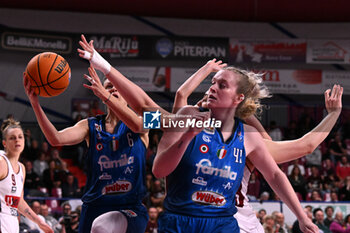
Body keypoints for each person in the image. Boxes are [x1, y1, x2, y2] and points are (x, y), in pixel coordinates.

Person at [77, 36, 337, 233]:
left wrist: (303, 217)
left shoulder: (249, 136)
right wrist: (104, 68)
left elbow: (293, 159)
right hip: (185, 217)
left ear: (237, 99)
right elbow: (147, 112)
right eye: (211, 84)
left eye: (220, 85)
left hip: (236, 219)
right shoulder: (187, 118)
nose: (210, 90)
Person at [24, 66, 149, 233]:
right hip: (95, 205)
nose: (112, 89)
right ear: (100, 93)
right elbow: (56, 138)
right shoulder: (89, 125)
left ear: (127, 93)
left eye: (117, 86)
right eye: (108, 87)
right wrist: (35, 103)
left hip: (130, 207)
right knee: (100, 225)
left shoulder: (145, 119)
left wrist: (106, 95)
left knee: (103, 226)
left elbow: (143, 125)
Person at [0, 118, 53, 233]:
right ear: (5, 143)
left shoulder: (22, 168)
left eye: (20, 137)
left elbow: (19, 202)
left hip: (12, 220)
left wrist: (39, 222)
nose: (17, 140)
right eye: (12, 138)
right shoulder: (1, 162)